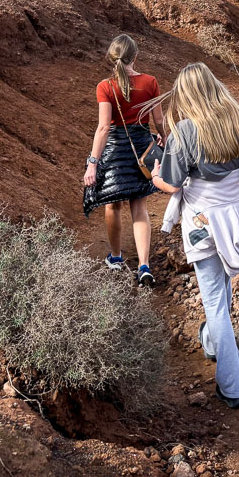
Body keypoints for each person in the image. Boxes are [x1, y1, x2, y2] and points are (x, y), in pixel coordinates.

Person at [148, 63, 239, 409]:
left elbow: (173, 185)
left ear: (186, 94)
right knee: (223, 288)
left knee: (215, 302)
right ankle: (214, 342)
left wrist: (155, 176)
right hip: (236, 219)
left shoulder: (184, 132)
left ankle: (232, 387)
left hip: (201, 224)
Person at [82, 34, 167, 289]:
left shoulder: (105, 86)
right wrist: (163, 138)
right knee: (139, 207)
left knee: (112, 205)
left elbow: (103, 128)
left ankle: (116, 258)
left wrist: (93, 162)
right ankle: (144, 266)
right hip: (141, 148)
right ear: (135, 56)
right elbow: (159, 120)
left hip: (115, 149)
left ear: (112, 58)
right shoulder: (150, 82)